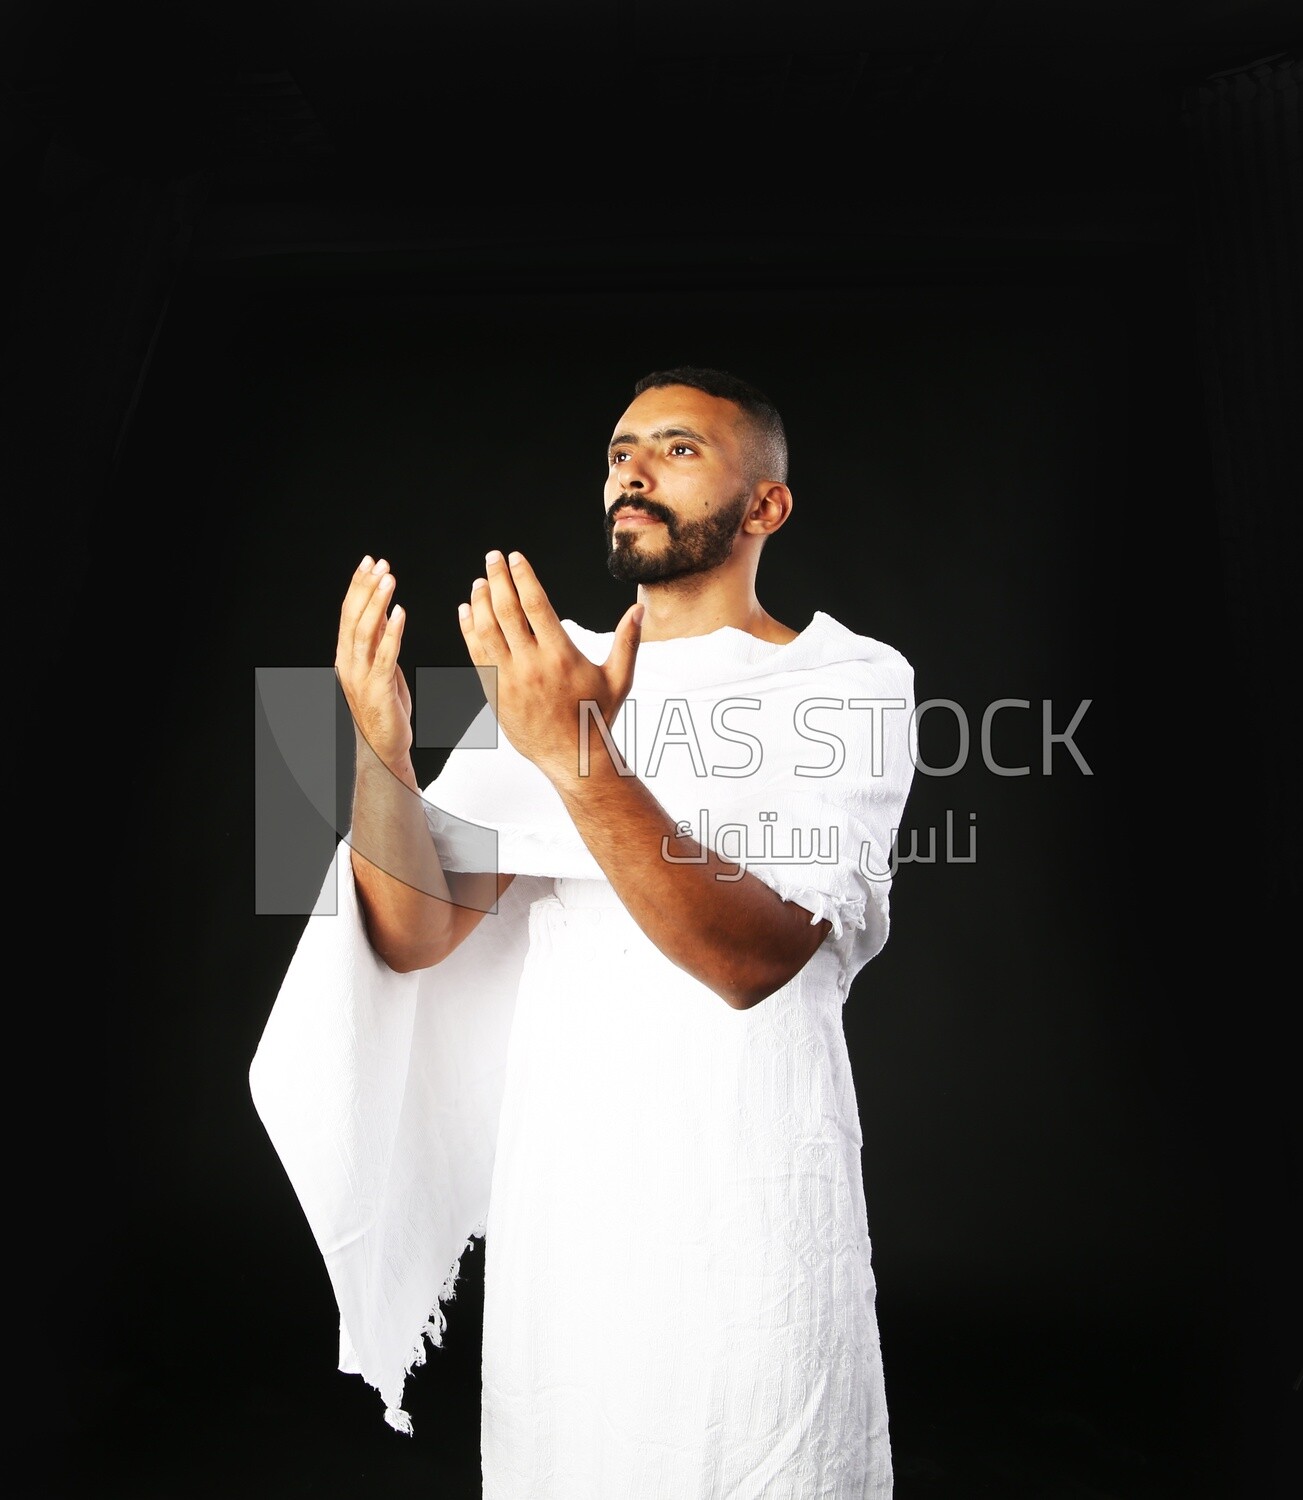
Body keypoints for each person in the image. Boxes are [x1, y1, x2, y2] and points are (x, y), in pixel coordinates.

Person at [250, 367, 917, 1498]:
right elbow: (413, 933)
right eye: (619, 453)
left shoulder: (842, 680)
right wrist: (380, 752)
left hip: (745, 1206)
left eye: (677, 449)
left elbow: (751, 960)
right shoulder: (548, 673)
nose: (633, 472)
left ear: (766, 507)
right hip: (570, 1211)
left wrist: (578, 754)